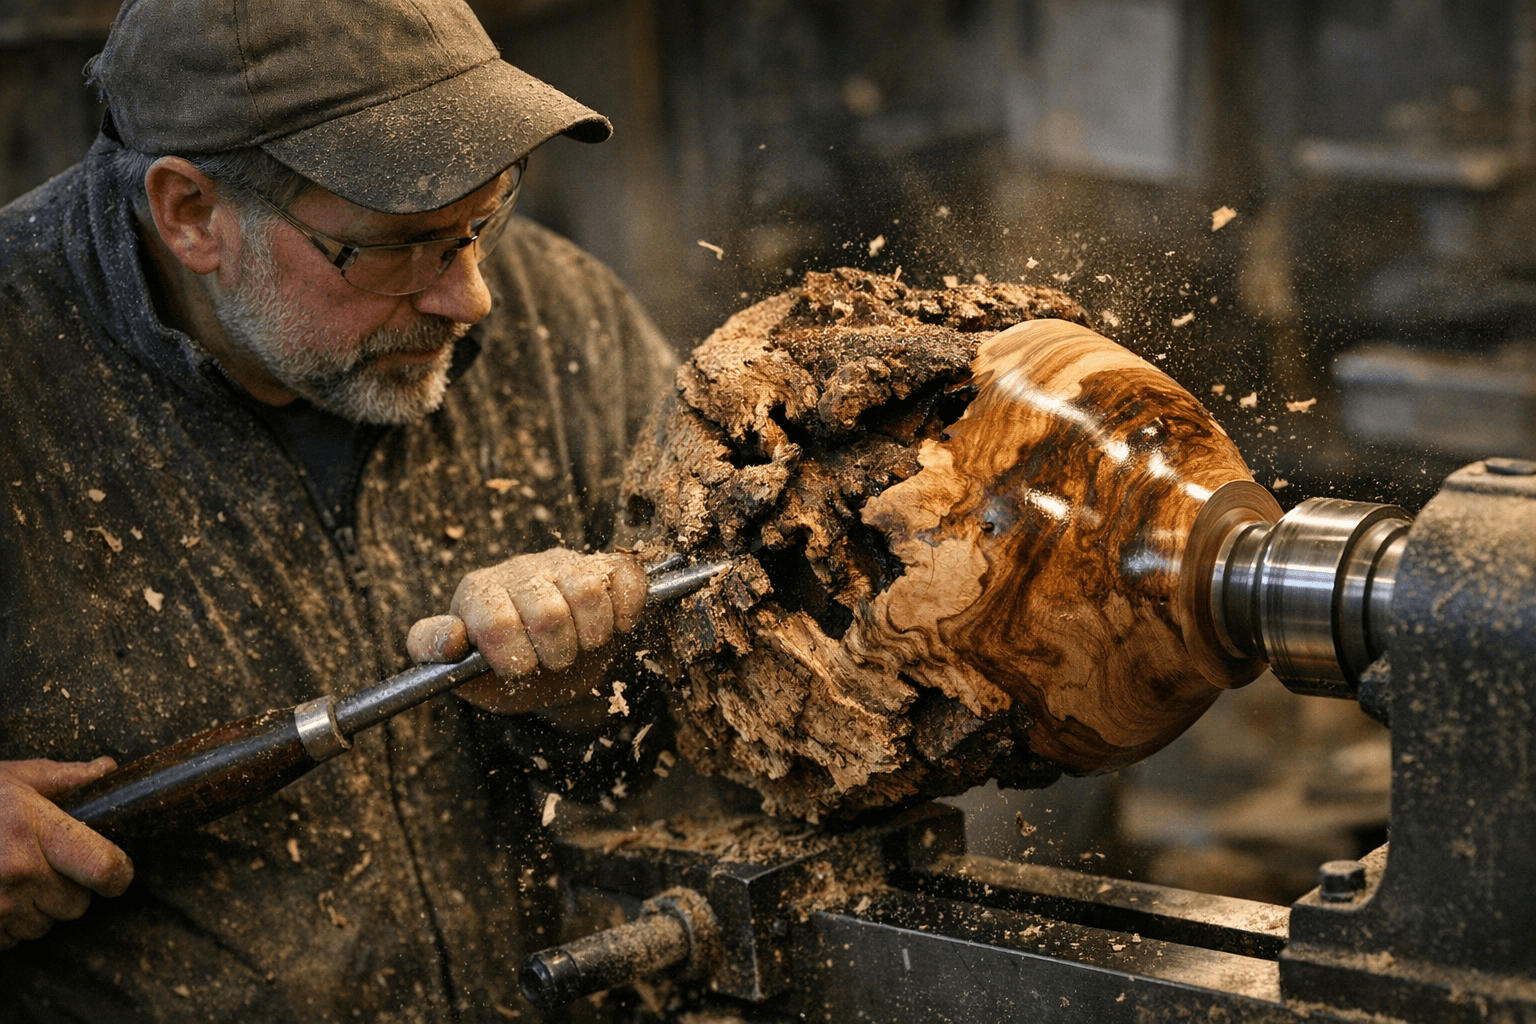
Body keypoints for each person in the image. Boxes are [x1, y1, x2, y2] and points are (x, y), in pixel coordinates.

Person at [0, 0, 678, 1019]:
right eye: (402, 245)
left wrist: (593, 684)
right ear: (190, 212)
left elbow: (723, 684)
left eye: (479, 221)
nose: (473, 298)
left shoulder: (562, 320)